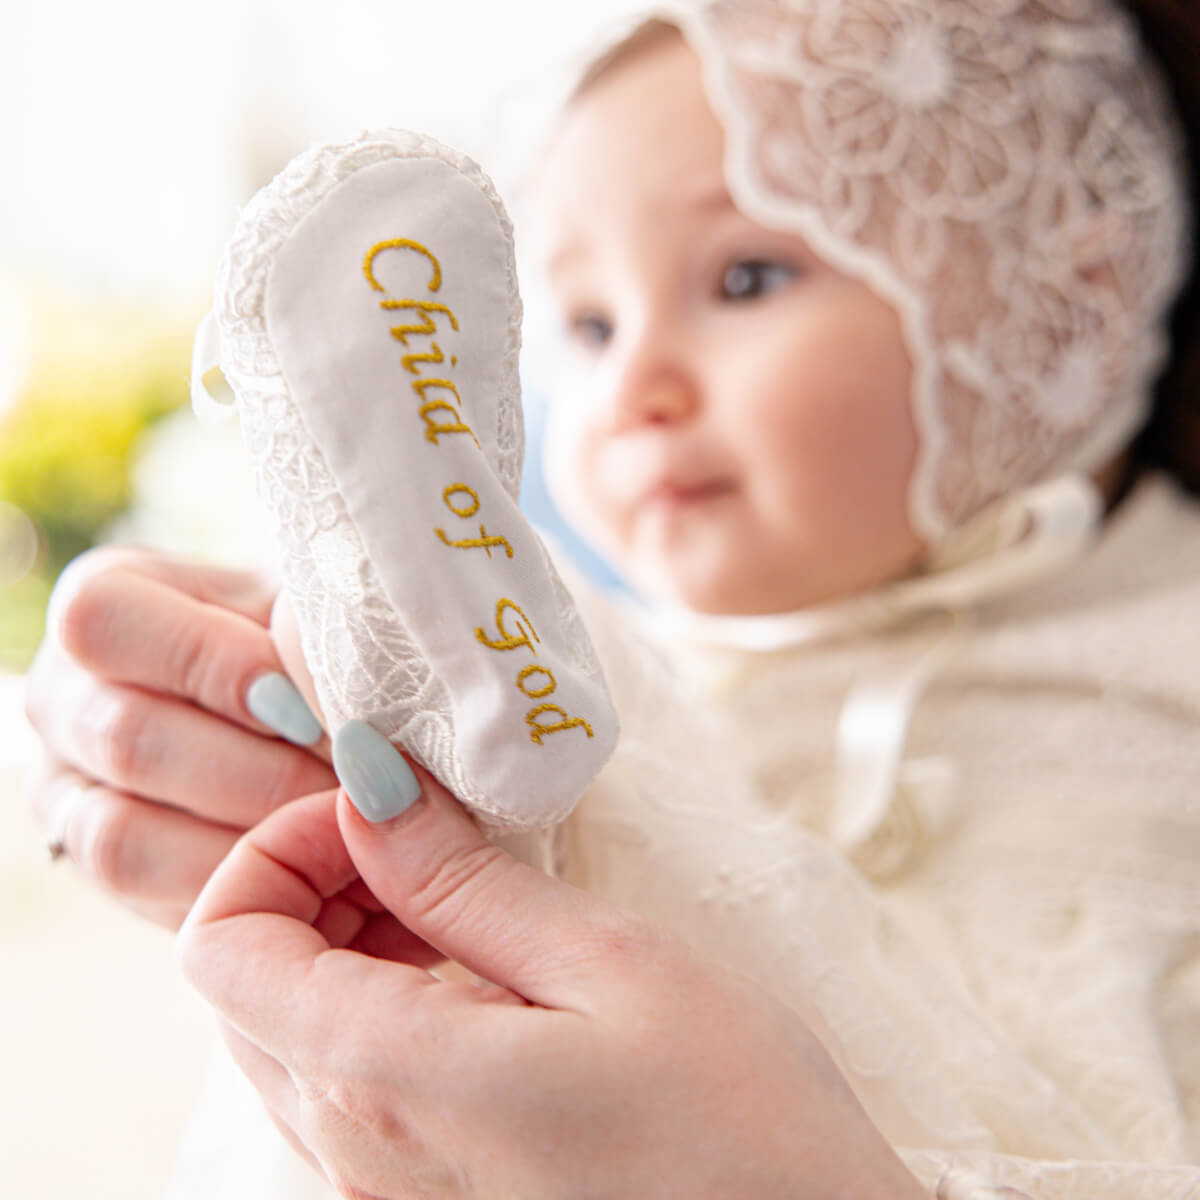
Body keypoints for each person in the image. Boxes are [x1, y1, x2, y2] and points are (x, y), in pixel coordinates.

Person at [24, 0, 1200, 1195]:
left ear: (1071, 295)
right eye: (586, 325)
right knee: (562, 758)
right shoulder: (611, 668)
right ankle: (380, 641)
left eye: (745, 278)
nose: (630, 385)